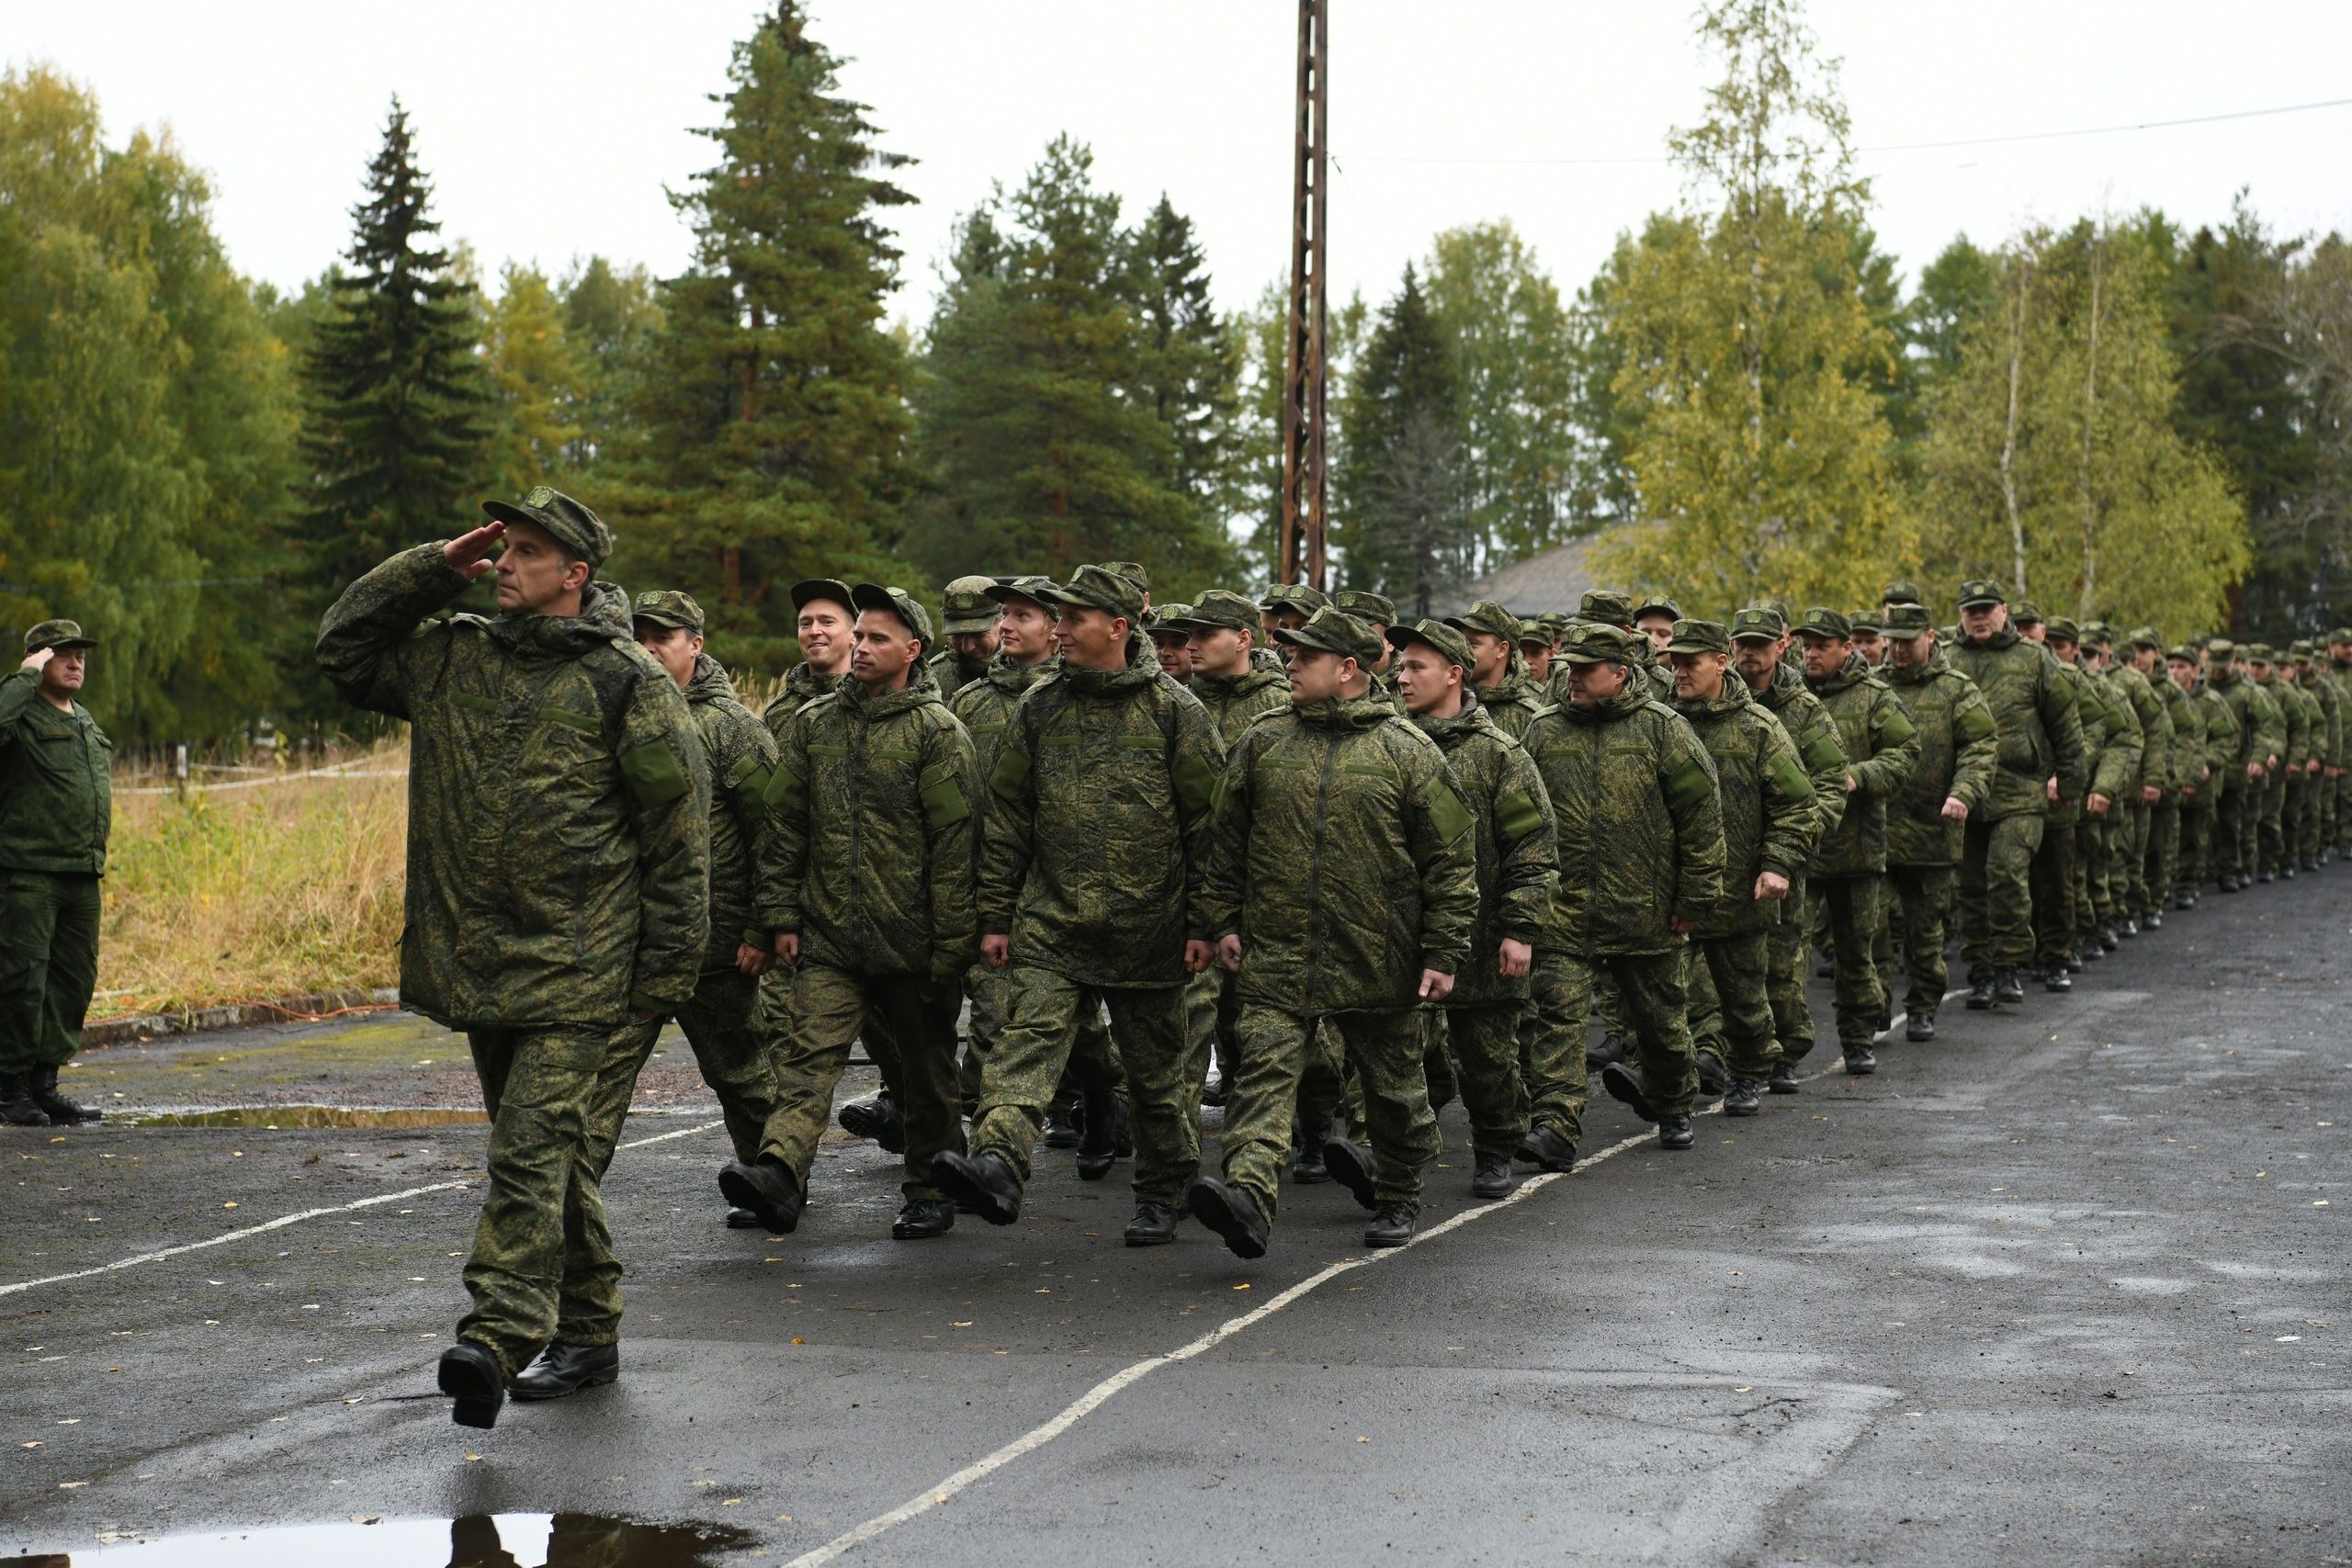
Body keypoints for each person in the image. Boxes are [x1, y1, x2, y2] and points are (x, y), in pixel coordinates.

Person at [316, 487, 710, 1431]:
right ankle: (592, 1331)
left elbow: (677, 842)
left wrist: (659, 981)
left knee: (530, 1154)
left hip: (585, 973)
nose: (505, 564)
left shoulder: (628, 685)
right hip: (482, 963)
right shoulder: (454, 657)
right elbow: (342, 653)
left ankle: (495, 1338)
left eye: (527, 552)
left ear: (576, 575)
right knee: (554, 1160)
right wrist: (429, 567)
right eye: (502, 550)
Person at [933, 565, 1225, 1248]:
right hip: (1052, 922)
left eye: (1072, 618)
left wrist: (1205, 924)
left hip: (1148, 930)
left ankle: (1162, 1190)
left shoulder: (1176, 711)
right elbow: (1008, 817)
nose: (1057, 629)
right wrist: (998, 914)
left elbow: (1208, 828)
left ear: (1118, 627)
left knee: (1155, 1081)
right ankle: (1000, 1164)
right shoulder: (1039, 708)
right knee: (1021, 1048)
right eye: (1054, 618)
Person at [1187, 607, 1478, 1254]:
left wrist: (1443, 952)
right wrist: (1221, 921)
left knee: (1394, 1092)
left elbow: (1451, 862)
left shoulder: (1409, 752)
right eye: (1288, 654)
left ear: (1347, 668)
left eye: (1304, 657)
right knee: (1261, 1074)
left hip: (1378, 957)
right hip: (1278, 954)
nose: (1288, 664)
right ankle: (1249, 1197)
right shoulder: (1264, 741)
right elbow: (1224, 843)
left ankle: (1398, 1190)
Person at [724, 585, 979, 1244]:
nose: (861, 647)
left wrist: (952, 945)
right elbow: (785, 828)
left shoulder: (938, 733)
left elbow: (956, 847)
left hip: (914, 943)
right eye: (859, 636)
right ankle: (780, 1169)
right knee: (808, 1057)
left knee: (926, 1074)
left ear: (913, 651)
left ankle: (930, 1187)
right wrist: (779, 917)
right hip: (832, 937)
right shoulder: (815, 724)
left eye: (878, 639)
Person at [1521, 623, 1726, 1152]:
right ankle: (1556, 1127)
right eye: (1570, 668)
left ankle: (1674, 1102)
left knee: (1660, 1022)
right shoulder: (1543, 732)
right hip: (1564, 909)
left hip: (1646, 911)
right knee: (1558, 1018)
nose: (1574, 678)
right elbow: (1519, 819)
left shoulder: (1663, 730)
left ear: (1621, 673)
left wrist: (1694, 899)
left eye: (1587, 669)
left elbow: (1701, 818)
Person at [624, 592, 789, 1233]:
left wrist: (761, 927)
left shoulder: (731, 727)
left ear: (696, 643)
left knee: (740, 1071)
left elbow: (771, 834)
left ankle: (774, 1176)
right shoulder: (622, 717)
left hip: (718, 943)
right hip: (634, 940)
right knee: (605, 1073)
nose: (648, 647)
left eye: (662, 636)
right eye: (638, 635)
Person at [1390, 617, 1555, 1196]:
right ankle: (1389, 1161)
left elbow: (1532, 848)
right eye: (1400, 665)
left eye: (1416, 667)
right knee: (1392, 1058)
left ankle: (1494, 1145)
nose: (1402, 677)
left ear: (1454, 674)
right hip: (1401, 936)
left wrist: (1520, 927)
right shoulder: (1386, 743)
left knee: (1488, 1061)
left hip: (1482, 940)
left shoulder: (1499, 756)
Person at [1664, 619, 1818, 1115]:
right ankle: (1674, 1084)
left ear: (1721, 662)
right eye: (1675, 662)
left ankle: (1748, 1072)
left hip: (1739, 890)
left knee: (1746, 1000)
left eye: (1692, 662)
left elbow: (1797, 803)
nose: (1681, 671)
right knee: (1667, 998)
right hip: (1673, 892)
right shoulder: (1660, 722)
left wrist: (1777, 864)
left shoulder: (1758, 728)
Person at [940, 577, 1067, 1128]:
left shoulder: (1068, 698)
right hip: (974, 874)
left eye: (1018, 616)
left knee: (1046, 1014)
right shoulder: (964, 700)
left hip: (1049, 883)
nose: (971, 645)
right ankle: (974, 1119)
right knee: (978, 1004)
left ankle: (1093, 1095)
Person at [1166, 591, 1291, 1107]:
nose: (1190, 646)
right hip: (1190, 883)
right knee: (1189, 1013)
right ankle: (1172, 1135)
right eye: (1188, 636)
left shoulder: (1281, 704)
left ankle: (1295, 1123)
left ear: (1242, 639)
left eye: (1204, 636)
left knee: (1257, 1017)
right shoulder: (1177, 702)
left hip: (1262, 888)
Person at [1950, 581, 2086, 1010]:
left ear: (2003, 611)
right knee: (1970, 886)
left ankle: (2009, 964)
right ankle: (1982, 971)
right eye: (1971, 611)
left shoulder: (2034, 660)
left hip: (2021, 789)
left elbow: (2066, 724)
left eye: (1987, 609)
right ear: (1960, 616)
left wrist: (2069, 782)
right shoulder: (1949, 661)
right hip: (1966, 792)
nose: (1979, 617)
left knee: (2006, 873)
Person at [1796, 609, 1920, 1072]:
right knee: (1788, 951)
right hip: (1801, 848)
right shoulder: (1789, 697)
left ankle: (1858, 1037)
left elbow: (1907, 751)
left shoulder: (1873, 697)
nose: (1810, 653)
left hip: (1856, 848)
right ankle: (1782, 1051)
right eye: (1806, 645)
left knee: (1855, 951)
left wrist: (1860, 776)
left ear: (1845, 648)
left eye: (1821, 646)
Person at [1730, 605, 1847, 1093]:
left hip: (1782, 860)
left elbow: (1831, 781)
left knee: (1780, 963)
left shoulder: (1803, 710)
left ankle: (1786, 1047)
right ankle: (1733, 1056)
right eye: (1743, 644)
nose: (1750, 654)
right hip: (1724, 858)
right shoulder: (1712, 702)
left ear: (1781, 647)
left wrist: (1795, 842)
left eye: (1760, 644)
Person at [0, 620, 109, 1127]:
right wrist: (21, 679)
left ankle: (44, 1085)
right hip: (29, 871)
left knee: (72, 982)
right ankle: (9, 1089)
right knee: (23, 983)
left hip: (81, 874)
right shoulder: (20, 711)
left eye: (79, 655)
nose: (74, 662)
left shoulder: (84, 719)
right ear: (36, 660)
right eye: (61, 654)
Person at [1878, 605, 1996, 1029]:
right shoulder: (1873, 687)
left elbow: (1981, 746)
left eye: (1906, 641)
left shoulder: (1956, 690)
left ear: (1929, 637)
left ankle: (1923, 1006)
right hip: (1878, 830)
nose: (1897, 649)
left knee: (1924, 930)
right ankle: (1872, 1004)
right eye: (1891, 641)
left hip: (1933, 829)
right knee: (1871, 925)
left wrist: (1964, 792)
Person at [1447, 601, 1544, 739]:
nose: (1462, 651)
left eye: (1472, 644)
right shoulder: (1447, 704)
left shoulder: (1532, 720)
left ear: (1501, 649)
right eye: (1461, 643)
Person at [928, 576, 1002, 701]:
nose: (967, 647)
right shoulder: (932, 678)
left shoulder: (1025, 671)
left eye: (978, 634)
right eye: (957, 635)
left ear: (1002, 621)